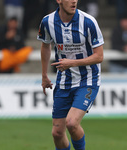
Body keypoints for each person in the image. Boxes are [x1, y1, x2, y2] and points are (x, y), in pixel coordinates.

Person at [37, 0, 104, 149]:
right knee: (57, 133)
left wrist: (71, 63)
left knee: (72, 123)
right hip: (64, 82)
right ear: (59, 0)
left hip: (87, 80)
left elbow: (99, 56)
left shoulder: (88, 22)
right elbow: (45, 45)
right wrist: (44, 75)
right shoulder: (47, 22)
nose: (74, 1)